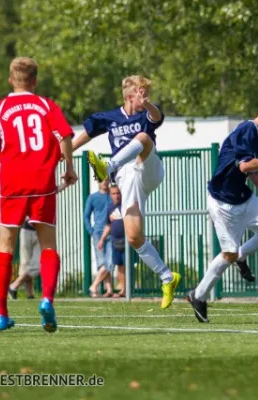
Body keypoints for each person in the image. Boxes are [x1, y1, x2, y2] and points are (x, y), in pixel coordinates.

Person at [0, 57, 78, 332]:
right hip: (42, 182)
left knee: (5, 246)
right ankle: (46, 299)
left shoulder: (0, 109)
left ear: (11, 80)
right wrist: (68, 168)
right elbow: (64, 134)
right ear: (35, 81)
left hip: (11, 186)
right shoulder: (46, 105)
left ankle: (0, 314)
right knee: (49, 246)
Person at [72, 75, 180, 308]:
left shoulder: (147, 114)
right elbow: (84, 135)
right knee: (134, 237)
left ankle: (108, 166)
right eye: (142, 94)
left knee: (143, 137)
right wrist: (63, 153)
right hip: (128, 178)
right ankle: (167, 277)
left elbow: (157, 116)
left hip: (149, 168)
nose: (146, 97)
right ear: (131, 96)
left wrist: (148, 104)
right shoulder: (109, 118)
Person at [186, 99, 258, 322]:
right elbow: (245, 166)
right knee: (229, 254)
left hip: (242, 197)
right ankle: (198, 295)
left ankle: (240, 257)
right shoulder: (248, 129)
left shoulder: (253, 134)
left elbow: (250, 171)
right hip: (222, 202)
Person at [85, 179, 114, 297]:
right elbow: (86, 216)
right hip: (97, 232)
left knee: (110, 261)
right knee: (102, 262)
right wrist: (90, 231)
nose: (105, 183)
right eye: (102, 180)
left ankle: (94, 286)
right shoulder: (92, 197)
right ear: (98, 181)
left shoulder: (113, 195)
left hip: (111, 232)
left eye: (107, 180)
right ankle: (109, 289)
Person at [98, 184, 126, 297]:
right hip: (115, 240)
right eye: (114, 193)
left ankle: (125, 290)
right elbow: (108, 226)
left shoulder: (125, 206)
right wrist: (101, 239)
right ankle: (123, 290)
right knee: (119, 266)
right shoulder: (110, 208)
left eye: (118, 193)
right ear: (110, 195)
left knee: (126, 266)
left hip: (126, 240)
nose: (116, 196)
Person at [8, 218, 40, 300]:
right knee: (25, 263)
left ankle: (14, 285)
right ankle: (30, 294)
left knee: (39, 263)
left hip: (42, 230)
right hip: (26, 229)